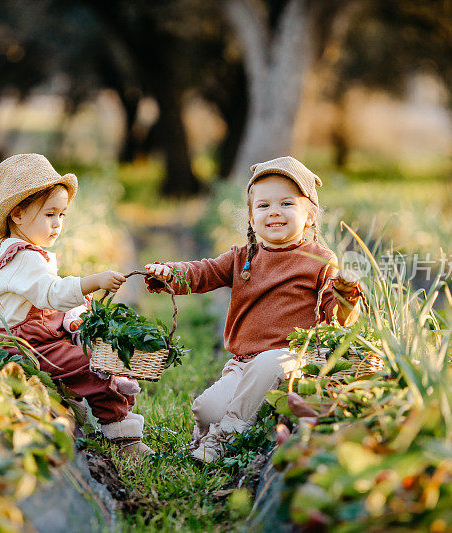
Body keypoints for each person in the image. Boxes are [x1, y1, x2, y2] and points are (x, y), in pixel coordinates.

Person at [144, 156, 362, 462]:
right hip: (244, 364)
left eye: (287, 204)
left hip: (292, 363)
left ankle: (226, 437)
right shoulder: (243, 258)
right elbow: (202, 272)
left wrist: (345, 292)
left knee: (270, 362)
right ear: (251, 216)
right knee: (205, 408)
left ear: (310, 215)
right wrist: (171, 273)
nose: (274, 212)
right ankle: (217, 432)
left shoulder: (320, 260)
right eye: (263, 206)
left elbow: (336, 317)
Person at [0, 153, 151, 456]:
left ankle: (71, 406)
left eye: (62, 215)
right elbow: (54, 294)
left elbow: (48, 304)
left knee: (88, 354)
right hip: (25, 347)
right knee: (96, 365)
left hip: (36, 340)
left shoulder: (27, 253)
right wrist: (94, 281)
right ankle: (123, 436)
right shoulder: (23, 259)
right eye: (49, 214)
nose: (57, 223)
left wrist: (73, 317)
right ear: (17, 215)